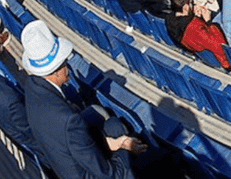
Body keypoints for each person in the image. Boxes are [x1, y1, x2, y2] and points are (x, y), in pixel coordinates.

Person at [22, 19, 147, 178]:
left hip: (65, 162)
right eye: (64, 62)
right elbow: (108, 174)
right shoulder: (68, 121)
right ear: (55, 71)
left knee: (114, 125)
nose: (67, 67)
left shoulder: (32, 86)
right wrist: (124, 147)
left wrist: (111, 143)